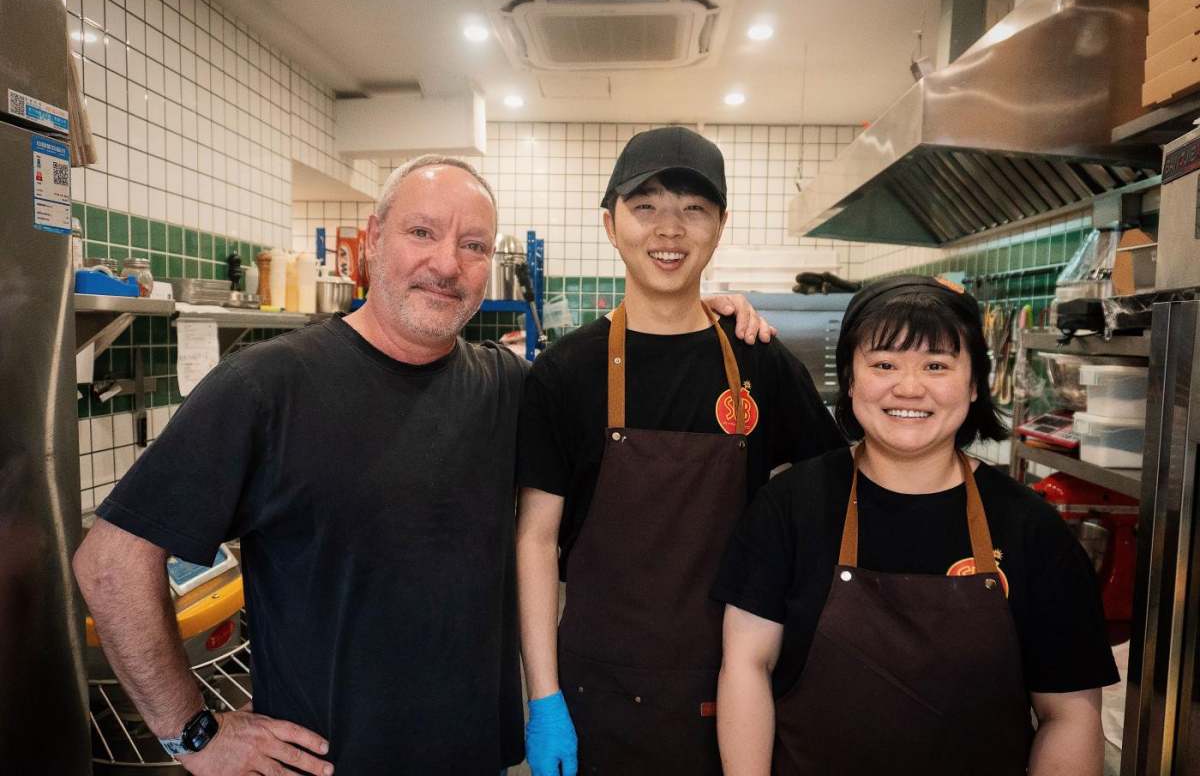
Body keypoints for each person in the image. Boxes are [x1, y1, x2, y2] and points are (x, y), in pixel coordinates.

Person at [72, 154, 772, 776]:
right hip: (325, 762)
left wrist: (689, 314)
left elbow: (621, 404)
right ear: (374, 240)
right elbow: (110, 562)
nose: (447, 264)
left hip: (479, 757)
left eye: (473, 245)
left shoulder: (508, 387)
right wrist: (193, 734)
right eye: (422, 232)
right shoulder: (266, 386)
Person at [516, 126, 846, 776]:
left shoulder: (760, 362)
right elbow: (535, 539)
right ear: (611, 226)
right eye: (645, 207)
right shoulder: (566, 372)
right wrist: (543, 697)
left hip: (732, 693)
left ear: (720, 227)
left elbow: (831, 501)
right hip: (595, 695)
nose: (669, 229)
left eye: (693, 209)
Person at [713, 275, 1120, 776]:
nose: (909, 387)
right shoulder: (789, 506)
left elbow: (1070, 715)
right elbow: (746, 667)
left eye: (936, 365)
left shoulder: (1031, 529)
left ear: (974, 384)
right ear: (850, 379)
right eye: (884, 364)